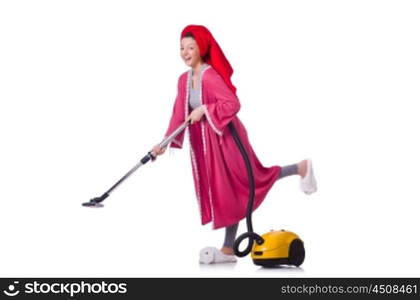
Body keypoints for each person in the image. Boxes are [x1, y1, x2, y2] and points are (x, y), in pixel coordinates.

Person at [152, 25, 317, 264]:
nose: (185, 52)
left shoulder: (210, 75)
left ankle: (229, 249)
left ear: (202, 49)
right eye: (181, 48)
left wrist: (204, 109)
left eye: (190, 47)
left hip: (227, 138)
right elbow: (179, 115)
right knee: (232, 187)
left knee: (239, 185)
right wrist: (162, 144)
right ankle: (300, 168)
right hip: (207, 144)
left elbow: (232, 103)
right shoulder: (183, 80)